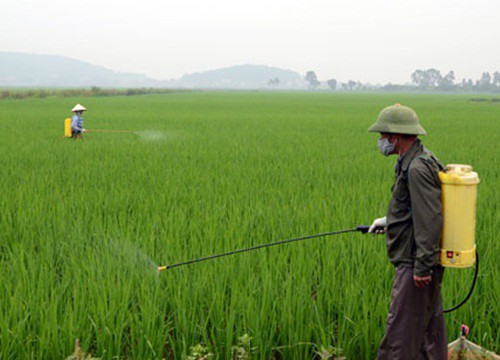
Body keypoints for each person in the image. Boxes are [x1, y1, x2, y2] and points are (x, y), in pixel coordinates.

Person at [367, 104, 447, 359]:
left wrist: (423, 266)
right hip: (419, 258)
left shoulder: (416, 168)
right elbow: (414, 211)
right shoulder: (413, 160)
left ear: (396, 136)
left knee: (400, 336)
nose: (380, 141)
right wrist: (388, 220)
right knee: (427, 332)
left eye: (382, 135)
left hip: (415, 262)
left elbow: (430, 219)